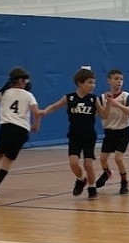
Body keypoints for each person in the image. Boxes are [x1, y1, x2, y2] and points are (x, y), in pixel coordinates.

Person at [39, 67, 109, 199]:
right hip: (74, 135)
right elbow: (55, 106)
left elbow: (104, 115)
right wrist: (44, 111)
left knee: (88, 164)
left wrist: (109, 104)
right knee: (73, 163)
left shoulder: (94, 99)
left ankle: (92, 188)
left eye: (94, 83)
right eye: (89, 82)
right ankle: (81, 179)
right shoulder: (69, 98)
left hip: (89, 135)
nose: (93, 85)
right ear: (80, 83)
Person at [0, 67, 41, 198]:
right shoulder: (28, 95)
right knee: (8, 159)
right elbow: (37, 112)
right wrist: (36, 125)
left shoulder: (4, 92)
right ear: (21, 81)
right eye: (25, 80)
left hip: (6, 128)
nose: (27, 82)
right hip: (20, 130)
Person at [97, 68, 129, 194]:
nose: (119, 81)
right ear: (109, 80)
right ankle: (107, 173)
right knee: (102, 158)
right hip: (110, 131)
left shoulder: (126, 96)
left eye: (121, 79)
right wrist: (108, 103)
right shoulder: (102, 97)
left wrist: (116, 104)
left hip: (123, 131)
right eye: (116, 79)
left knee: (118, 158)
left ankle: (124, 183)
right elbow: (103, 115)